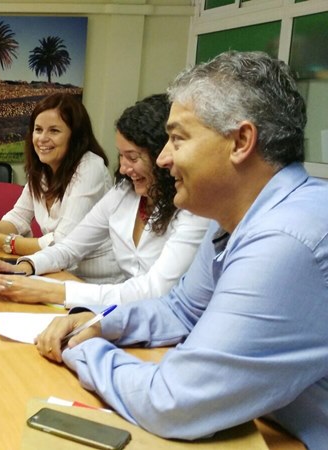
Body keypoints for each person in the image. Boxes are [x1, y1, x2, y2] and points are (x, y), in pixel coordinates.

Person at [35, 51, 328, 447]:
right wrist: (98, 323)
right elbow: (181, 309)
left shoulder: (286, 240)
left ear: (241, 141)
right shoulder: (235, 218)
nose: (163, 158)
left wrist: (81, 349)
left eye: (177, 139)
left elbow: (173, 401)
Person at [0, 95, 210, 308]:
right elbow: (70, 246)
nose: (123, 168)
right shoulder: (123, 193)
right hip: (122, 308)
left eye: (132, 157)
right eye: (121, 155)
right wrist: (27, 266)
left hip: (156, 316)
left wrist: (54, 291)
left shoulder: (194, 209)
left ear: (162, 155)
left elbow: (155, 290)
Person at [0, 93, 120, 283]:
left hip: (94, 282)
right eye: (38, 130)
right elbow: (18, 217)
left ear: (75, 136)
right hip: (55, 272)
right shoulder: (43, 169)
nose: (42, 138)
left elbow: (62, 242)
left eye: (54, 131)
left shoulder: (90, 168)